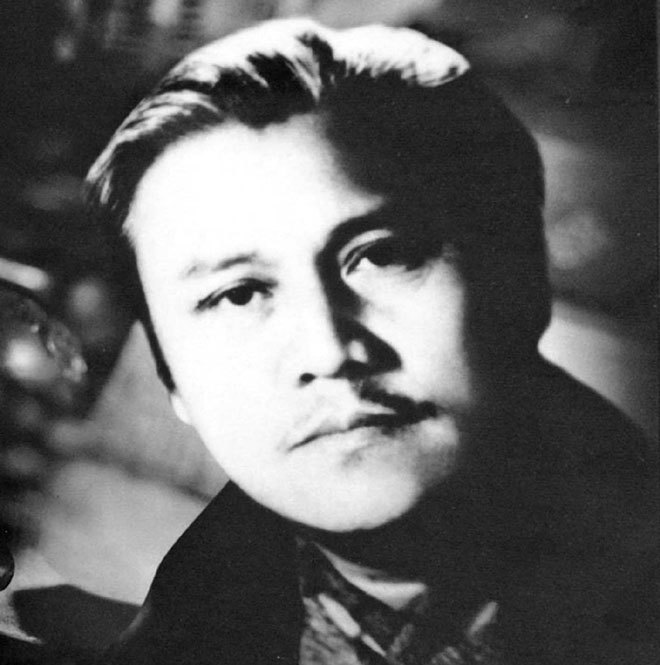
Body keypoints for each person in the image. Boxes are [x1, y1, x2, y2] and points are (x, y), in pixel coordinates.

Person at [85, 18, 658, 665]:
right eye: (239, 294)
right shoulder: (187, 620)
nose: (329, 350)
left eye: (382, 254)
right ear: (172, 379)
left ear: (520, 278)